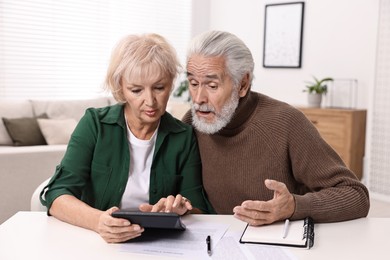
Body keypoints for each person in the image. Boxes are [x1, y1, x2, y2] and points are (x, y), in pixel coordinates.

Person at [182, 30, 370, 225]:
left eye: (212, 86)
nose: (198, 99)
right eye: (193, 83)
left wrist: (294, 206)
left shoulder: (286, 122)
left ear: (243, 84)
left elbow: (356, 195)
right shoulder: (192, 122)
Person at [40, 33, 211, 243]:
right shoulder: (95, 124)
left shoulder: (183, 136)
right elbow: (57, 194)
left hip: (158, 243)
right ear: (121, 88)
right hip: (97, 242)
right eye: (136, 90)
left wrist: (181, 207)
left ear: (171, 83)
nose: (150, 101)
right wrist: (98, 221)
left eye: (159, 87)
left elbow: (198, 206)